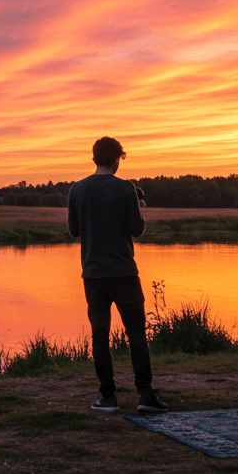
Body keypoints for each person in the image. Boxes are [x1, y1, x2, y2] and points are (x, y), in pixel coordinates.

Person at [67, 136, 167, 413]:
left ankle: (107, 397)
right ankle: (145, 396)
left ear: (94, 158)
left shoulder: (77, 190)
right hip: (123, 273)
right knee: (136, 333)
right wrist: (139, 207)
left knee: (99, 335)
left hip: (93, 275)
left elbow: (74, 231)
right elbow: (137, 229)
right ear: (116, 158)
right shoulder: (126, 189)